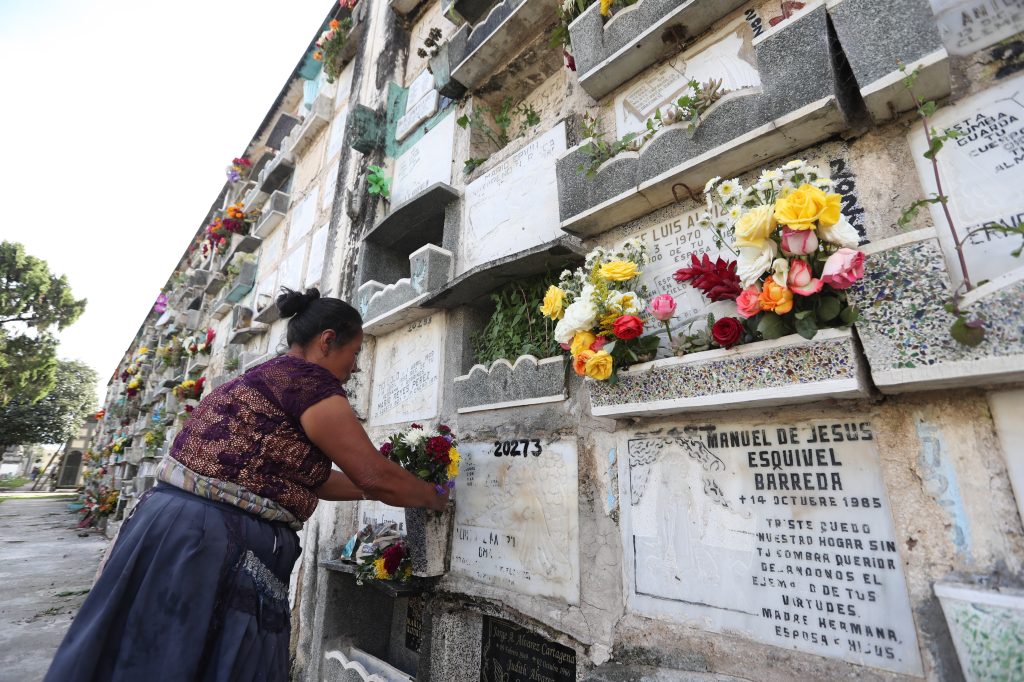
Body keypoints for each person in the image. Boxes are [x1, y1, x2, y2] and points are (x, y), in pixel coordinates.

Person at [45, 288, 448, 682]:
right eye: (355, 352)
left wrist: (378, 488)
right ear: (327, 341)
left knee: (147, 654)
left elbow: (319, 480)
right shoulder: (309, 382)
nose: (355, 366)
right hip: (209, 540)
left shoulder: (263, 377)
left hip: (167, 525)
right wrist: (437, 498)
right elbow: (373, 474)